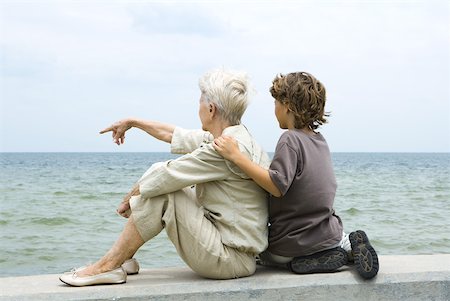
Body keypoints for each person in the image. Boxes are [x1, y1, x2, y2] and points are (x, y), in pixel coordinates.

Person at [59, 68, 271, 286]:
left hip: (229, 260)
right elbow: (174, 134)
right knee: (169, 187)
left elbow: (166, 174)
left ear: (210, 109)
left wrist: (129, 200)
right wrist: (133, 122)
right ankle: (124, 260)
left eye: (200, 101)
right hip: (239, 254)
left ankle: (107, 267)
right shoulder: (236, 137)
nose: (197, 107)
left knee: (165, 192)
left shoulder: (224, 149)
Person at [213, 72, 379, 279]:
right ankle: (345, 248)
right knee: (334, 239)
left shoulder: (289, 139)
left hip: (290, 242)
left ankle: (301, 260)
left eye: (276, 103)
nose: (274, 110)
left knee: (261, 254)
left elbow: (276, 185)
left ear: (287, 105)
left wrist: (236, 157)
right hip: (328, 232)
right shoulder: (320, 140)